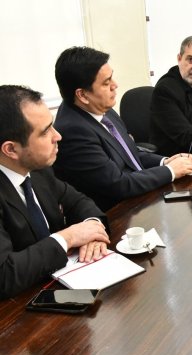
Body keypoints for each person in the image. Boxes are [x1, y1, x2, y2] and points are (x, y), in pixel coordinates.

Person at [0, 85, 110, 300]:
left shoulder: (39, 170)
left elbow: (79, 201)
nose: (57, 136)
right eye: (45, 132)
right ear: (11, 149)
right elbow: (4, 275)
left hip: (62, 285)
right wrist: (69, 237)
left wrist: (93, 230)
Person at [53, 46, 192, 212]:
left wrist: (164, 162)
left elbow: (128, 154)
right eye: (106, 83)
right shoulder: (73, 131)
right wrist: (170, 171)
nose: (115, 85)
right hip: (114, 214)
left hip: (139, 200)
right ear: (83, 95)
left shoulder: (101, 108)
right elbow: (118, 184)